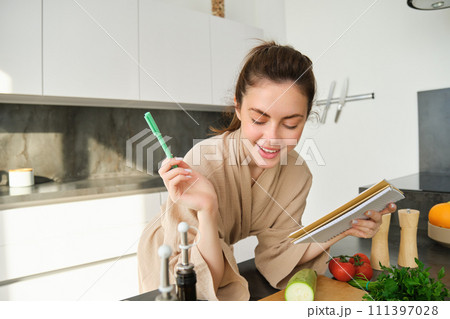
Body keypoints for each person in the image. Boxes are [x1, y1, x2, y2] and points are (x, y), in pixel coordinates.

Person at [137, 41, 396, 301]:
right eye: (259, 120)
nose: (272, 138)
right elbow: (207, 283)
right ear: (238, 107)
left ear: (306, 118)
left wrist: (347, 227)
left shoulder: (297, 174)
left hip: (213, 259)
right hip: (171, 256)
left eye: (291, 124)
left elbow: (282, 252)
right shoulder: (203, 163)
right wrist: (207, 209)